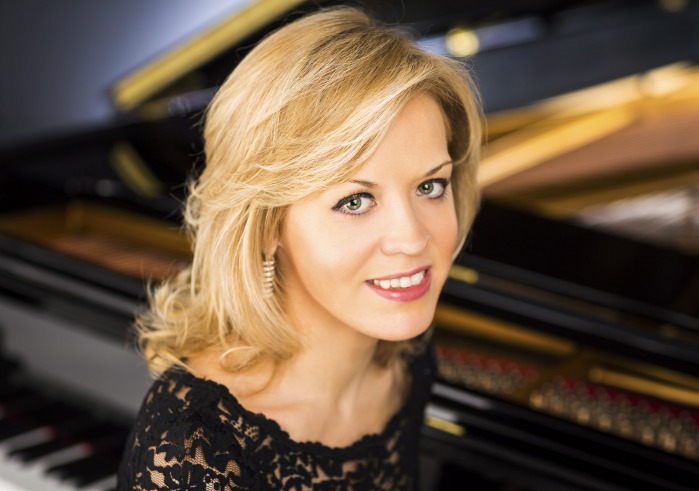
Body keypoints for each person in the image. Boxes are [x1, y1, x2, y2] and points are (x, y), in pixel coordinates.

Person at [117, 6, 481, 490]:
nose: (413, 238)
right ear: (267, 225)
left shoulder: (406, 364)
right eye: (355, 200)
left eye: (431, 186)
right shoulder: (195, 444)